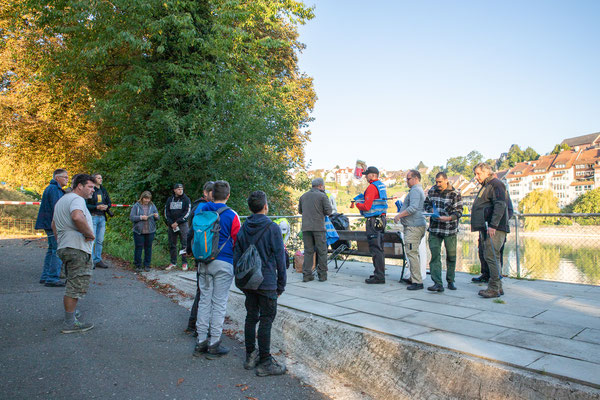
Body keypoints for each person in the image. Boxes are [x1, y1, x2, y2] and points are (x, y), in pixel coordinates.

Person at [233, 191, 287, 376]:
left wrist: (239, 279)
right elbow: (281, 258)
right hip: (267, 282)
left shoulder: (244, 227)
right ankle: (265, 362)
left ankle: (250, 356)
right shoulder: (272, 228)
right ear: (265, 206)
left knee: (251, 317)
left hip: (248, 282)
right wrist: (281, 285)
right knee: (266, 320)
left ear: (249, 208)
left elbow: (237, 255)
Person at [192, 180, 240, 359]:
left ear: (211, 194)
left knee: (204, 300)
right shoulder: (232, 215)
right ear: (227, 195)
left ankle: (201, 341)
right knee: (219, 302)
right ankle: (214, 343)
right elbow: (237, 240)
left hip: (203, 261)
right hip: (224, 261)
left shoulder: (203, 209)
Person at [52, 174, 96, 333]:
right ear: (79, 186)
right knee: (75, 285)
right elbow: (77, 217)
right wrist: (89, 234)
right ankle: (70, 323)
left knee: (71, 281)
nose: (93, 190)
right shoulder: (77, 200)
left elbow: (53, 224)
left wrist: (61, 242)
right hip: (77, 248)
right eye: (90, 187)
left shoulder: (62, 200)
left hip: (65, 247)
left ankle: (70, 314)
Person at [471, 163, 510, 298]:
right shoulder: (487, 185)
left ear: (487, 172)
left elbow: (500, 205)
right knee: (492, 256)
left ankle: (493, 287)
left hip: (494, 228)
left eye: (478, 174)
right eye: (475, 174)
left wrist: (493, 225)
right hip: (488, 227)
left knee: (491, 256)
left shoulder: (495, 184)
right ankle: (498, 287)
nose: (476, 177)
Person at [424, 172, 463, 292]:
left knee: (451, 256)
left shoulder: (455, 194)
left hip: (449, 229)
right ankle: (437, 283)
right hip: (435, 228)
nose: (438, 184)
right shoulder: (432, 191)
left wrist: (449, 218)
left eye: (440, 182)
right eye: (436, 182)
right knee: (435, 255)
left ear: (446, 180)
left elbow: (459, 211)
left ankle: (451, 280)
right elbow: (426, 204)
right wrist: (431, 210)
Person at [185, 181, 214, 335]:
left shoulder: (198, 206)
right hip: (203, 251)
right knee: (204, 290)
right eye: (212, 193)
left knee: (202, 289)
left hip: (200, 250)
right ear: (205, 192)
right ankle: (196, 325)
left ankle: (194, 323)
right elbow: (193, 231)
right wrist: (189, 249)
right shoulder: (202, 207)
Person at [473, 186, 513, 283]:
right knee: (483, 251)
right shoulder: (486, 191)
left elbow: (509, 211)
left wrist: (497, 223)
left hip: (497, 228)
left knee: (495, 254)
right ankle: (485, 274)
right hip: (485, 227)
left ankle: (496, 279)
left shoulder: (501, 191)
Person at [394, 169, 426, 290]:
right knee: (414, 253)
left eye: (408, 179)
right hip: (416, 225)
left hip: (413, 226)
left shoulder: (415, 191)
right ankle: (414, 277)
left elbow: (413, 208)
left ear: (415, 178)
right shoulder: (417, 190)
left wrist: (399, 215)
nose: (406, 181)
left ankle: (417, 282)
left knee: (412, 254)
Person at [35, 169, 68, 287]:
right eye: (65, 177)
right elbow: (57, 208)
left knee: (51, 250)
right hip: (53, 224)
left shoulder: (52, 188)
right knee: (57, 250)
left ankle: (46, 276)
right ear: (57, 178)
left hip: (48, 222)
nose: (67, 179)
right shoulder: (54, 189)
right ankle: (52, 278)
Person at [356, 166, 388, 284]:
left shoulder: (371, 187)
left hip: (373, 220)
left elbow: (367, 206)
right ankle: (379, 273)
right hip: (381, 219)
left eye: (366, 175)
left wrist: (358, 204)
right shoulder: (381, 186)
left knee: (375, 248)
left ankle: (379, 276)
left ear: (372, 175)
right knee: (380, 247)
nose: (365, 177)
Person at [298, 178, 332, 282]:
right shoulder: (323, 196)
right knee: (322, 251)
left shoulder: (303, 196)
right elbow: (329, 211)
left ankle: (307, 275)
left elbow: (300, 211)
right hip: (318, 228)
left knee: (308, 251)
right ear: (321, 186)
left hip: (306, 227)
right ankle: (322, 275)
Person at [86, 173, 112, 269]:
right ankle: (90, 260)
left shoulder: (103, 190)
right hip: (93, 216)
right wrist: (96, 207)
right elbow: (86, 204)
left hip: (102, 217)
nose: (101, 179)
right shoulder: (90, 190)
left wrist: (106, 206)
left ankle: (98, 259)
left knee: (100, 240)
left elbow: (109, 202)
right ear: (94, 179)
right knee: (92, 239)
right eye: (99, 178)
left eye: (101, 178)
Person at [129, 191, 160, 272]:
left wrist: (156, 216)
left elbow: (157, 217)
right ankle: (137, 265)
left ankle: (147, 265)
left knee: (148, 248)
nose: (147, 200)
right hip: (139, 230)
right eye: (145, 198)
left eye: (148, 199)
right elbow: (132, 217)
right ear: (142, 198)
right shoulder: (136, 206)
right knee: (139, 247)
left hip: (150, 230)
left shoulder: (152, 206)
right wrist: (141, 217)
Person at [164, 183, 191, 271]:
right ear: (174, 190)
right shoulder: (170, 199)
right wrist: (171, 223)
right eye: (178, 189)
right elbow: (166, 212)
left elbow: (187, 212)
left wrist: (178, 222)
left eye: (182, 189)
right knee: (172, 244)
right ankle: (173, 262)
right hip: (172, 225)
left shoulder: (186, 199)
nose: (180, 191)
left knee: (184, 244)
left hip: (182, 224)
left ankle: (184, 262)